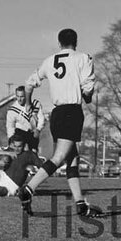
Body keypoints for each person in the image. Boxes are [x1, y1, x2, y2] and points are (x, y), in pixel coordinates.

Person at [19, 28, 102, 217]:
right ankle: (28, 189)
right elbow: (88, 89)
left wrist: (29, 106)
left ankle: (81, 204)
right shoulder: (83, 58)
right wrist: (87, 96)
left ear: (59, 43)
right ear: (76, 42)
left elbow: (29, 83)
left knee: (72, 159)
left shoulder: (49, 61)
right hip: (72, 112)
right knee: (58, 158)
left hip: (56, 113)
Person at [6, 85, 45, 154]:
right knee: (20, 152)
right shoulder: (12, 110)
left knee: (33, 152)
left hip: (32, 133)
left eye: (22, 96)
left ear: (26, 96)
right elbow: (10, 126)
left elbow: (41, 118)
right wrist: (11, 139)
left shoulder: (36, 104)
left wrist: (38, 129)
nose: (19, 99)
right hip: (19, 133)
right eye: (18, 96)